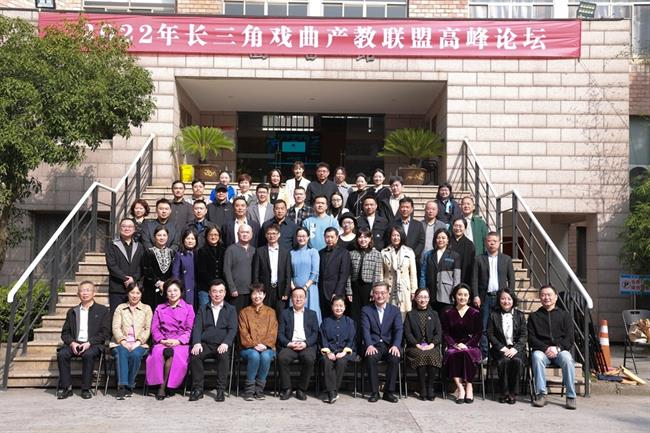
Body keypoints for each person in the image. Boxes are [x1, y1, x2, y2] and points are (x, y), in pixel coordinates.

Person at [56, 281, 111, 400]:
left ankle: (86, 388)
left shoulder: (103, 310)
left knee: (89, 354)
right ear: (78, 294)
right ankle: (66, 388)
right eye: (82, 291)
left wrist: (89, 343)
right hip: (75, 343)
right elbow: (65, 333)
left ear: (94, 293)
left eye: (87, 290)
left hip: (93, 344)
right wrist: (72, 343)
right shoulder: (72, 311)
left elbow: (105, 333)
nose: (85, 293)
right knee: (62, 354)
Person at [528, 285, 577, 410]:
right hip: (542, 351)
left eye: (549, 295)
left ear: (555, 297)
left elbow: (570, 338)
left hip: (560, 351)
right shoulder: (534, 316)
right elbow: (531, 338)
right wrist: (546, 348)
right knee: (536, 357)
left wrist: (558, 348)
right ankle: (541, 394)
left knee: (567, 358)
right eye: (543, 295)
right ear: (540, 298)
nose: (546, 297)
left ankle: (571, 396)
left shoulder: (565, 315)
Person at [145, 278, 195, 400]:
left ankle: (163, 387)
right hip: (163, 341)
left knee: (173, 354)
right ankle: (163, 386)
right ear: (166, 293)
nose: (172, 293)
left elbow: (190, 329)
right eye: (169, 291)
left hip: (180, 342)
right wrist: (162, 340)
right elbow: (155, 329)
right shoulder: (159, 308)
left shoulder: (189, 308)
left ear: (181, 292)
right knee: (159, 353)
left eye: (175, 290)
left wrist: (178, 341)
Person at [189, 280, 238, 402]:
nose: (217, 294)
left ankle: (220, 390)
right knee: (195, 356)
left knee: (223, 357)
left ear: (225, 293)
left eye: (221, 291)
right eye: (214, 291)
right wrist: (197, 342)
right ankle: (198, 389)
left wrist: (226, 343)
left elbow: (233, 329)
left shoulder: (231, 309)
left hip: (222, 344)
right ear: (210, 293)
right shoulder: (203, 308)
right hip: (206, 344)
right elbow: (197, 327)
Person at [472, 231, 515, 357]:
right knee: (484, 327)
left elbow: (511, 279)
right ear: (485, 243)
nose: (492, 243)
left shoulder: (506, 259)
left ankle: (501, 353)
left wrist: (510, 296)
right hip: (484, 297)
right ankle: (485, 354)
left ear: (499, 242)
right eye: (489, 241)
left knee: (501, 326)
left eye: (494, 241)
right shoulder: (479, 259)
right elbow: (474, 279)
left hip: (501, 298)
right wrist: (476, 295)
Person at [361, 282, 403, 403]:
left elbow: (399, 329)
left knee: (395, 358)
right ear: (373, 294)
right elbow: (365, 330)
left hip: (389, 345)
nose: (380, 296)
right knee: (370, 357)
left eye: (383, 293)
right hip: (374, 344)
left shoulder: (395, 310)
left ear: (388, 294)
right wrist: (369, 345)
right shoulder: (366, 310)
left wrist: (396, 345)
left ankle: (388, 392)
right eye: (377, 293)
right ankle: (374, 392)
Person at [441, 283, 482, 404]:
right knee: (452, 354)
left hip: (471, 345)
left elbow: (478, 333)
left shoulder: (475, 313)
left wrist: (467, 345)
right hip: (454, 345)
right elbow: (445, 333)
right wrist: (454, 345)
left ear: (469, 297)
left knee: (467, 353)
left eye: (465, 295)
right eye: (459, 294)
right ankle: (460, 388)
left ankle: (469, 386)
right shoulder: (448, 313)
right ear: (455, 296)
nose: (462, 297)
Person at [110, 283, 152, 400]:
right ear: (127, 293)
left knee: (135, 354)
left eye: (138, 293)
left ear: (141, 294)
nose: (135, 295)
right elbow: (115, 327)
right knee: (122, 352)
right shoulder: (120, 308)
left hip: (140, 343)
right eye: (132, 292)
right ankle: (122, 386)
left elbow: (147, 328)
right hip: (120, 342)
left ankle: (130, 385)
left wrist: (137, 342)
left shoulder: (146, 309)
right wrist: (123, 341)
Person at [277, 288, 320, 400]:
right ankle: (287, 388)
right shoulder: (285, 313)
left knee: (309, 359)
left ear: (305, 299)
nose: (298, 299)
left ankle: (301, 389)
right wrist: (289, 344)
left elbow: (315, 333)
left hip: (306, 345)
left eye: (301, 297)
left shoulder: (312, 314)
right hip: (290, 345)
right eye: (295, 296)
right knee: (282, 357)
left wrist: (306, 344)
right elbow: (280, 333)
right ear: (291, 299)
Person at [239, 284, 279, 401]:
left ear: (264, 295)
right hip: (248, 348)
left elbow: (273, 331)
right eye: (254, 293)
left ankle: (259, 389)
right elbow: (243, 332)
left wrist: (265, 345)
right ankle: (249, 390)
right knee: (254, 355)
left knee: (266, 356)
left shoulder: (271, 312)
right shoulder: (244, 312)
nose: (257, 296)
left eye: (260, 293)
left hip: (267, 347)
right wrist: (254, 345)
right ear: (251, 295)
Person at [487, 288, 527, 404]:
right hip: (500, 348)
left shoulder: (520, 315)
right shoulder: (493, 314)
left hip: (516, 348)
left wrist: (515, 349)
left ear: (513, 300)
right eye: (503, 299)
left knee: (517, 361)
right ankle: (504, 392)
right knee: (504, 360)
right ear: (499, 300)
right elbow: (490, 334)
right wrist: (502, 348)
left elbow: (524, 335)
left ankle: (513, 393)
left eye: (509, 299)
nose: (506, 301)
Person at [404, 288, 443, 401]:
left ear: (429, 299)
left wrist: (432, 344)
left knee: (432, 354)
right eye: (420, 297)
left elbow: (438, 333)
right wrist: (417, 344)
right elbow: (407, 333)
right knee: (421, 355)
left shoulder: (434, 314)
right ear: (416, 298)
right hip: (414, 347)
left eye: (425, 297)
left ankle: (430, 387)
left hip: (431, 346)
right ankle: (422, 388)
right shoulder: (410, 315)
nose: (423, 300)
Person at [319, 296, 356, 404]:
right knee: (326, 361)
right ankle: (332, 392)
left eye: (341, 306)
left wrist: (344, 352)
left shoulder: (350, 322)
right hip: (329, 351)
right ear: (332, 307)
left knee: (341, 361)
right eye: (336, 306)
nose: (338, 308)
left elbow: (351, 339)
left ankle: (332, 391)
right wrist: (328, 352)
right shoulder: (326, 322)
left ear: (345, 307)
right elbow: (323, 339)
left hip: (345, 352)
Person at [106, 218, 144, 314]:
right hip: (117, 288)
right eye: (124, 226)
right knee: (116, 316)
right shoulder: (112, 245)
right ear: (119, 228)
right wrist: (125, 279)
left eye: (130, 226)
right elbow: (112, 265)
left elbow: (141, 266)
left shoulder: (139, 246)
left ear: (134, 229)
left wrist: (134, 279)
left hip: (134, 289)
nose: (127, 229)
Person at [252, 224, 293, 315]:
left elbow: (288, 273)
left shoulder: (285, 252)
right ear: (266, 235)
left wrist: (286, 291)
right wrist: (258, 291)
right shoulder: (259, 251)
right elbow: (255, 273)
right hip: (265, 290)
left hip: (280, 290)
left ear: (279, 235)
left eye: (274, 233)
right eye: (269, 233)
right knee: (265, 315)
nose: (271, 236)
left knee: (280, 316)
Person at [420, 228, 461, 314]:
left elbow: (457, 278)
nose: (440, 240)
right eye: (438, 238)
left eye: (443, 238)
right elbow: (423, 274)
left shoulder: (455, 256)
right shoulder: (428, 255)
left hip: (447, 294)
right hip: (430, 294)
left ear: (448, 240)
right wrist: (422, 290)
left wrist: (455, 294)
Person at [349, 228, 383, 330]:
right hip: (355, 287)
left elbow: (377, 275)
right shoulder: (352, 253)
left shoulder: (376, 254)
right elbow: (348, 274)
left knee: (367, 313)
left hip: (368, 288)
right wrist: (348, 291)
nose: (362, 239)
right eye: (360, 237)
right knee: (354, 314)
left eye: (365, 237)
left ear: (370, 239)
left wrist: (374, 291)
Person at [381, 226, 418, 319]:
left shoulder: (409, 252)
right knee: (388, 314)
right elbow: (381, 273)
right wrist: (380, 289)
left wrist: (414, 290)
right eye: (393, 235)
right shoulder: (384, 252)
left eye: (398, 235)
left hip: (404, 287)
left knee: (404, 314)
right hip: (389, 287)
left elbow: (413, 274)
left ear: (402, 236)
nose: (395, 237)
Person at [291, 227, 322, 325]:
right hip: (295, 288)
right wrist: (293, 287)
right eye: (299, 236)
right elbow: (289, 272)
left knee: (311, 312)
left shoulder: (313, 252)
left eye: (304, 236)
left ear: (308, 237)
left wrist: (305, 287)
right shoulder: (292, 253)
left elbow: (315, 272)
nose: (301, 238)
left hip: (310, 288)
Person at [318, 227, 352, 317]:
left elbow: (344, 275)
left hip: (336, 292)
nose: (329, 239)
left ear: (337, 238)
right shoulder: (320, 253)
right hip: (322, 292)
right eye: (327, 237)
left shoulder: (344, 253)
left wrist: (337, 293)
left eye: (332, 237)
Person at [223, 224, 256, 313]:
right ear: (238, 234)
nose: (245, 234)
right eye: (242, 232)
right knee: (236, 316)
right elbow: (226, 270)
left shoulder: (254, 250)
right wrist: (232, 288)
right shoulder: (230, 250)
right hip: (236, 292)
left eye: (247, 232)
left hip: (251, 291)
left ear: (251, 234)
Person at [141, 226, 175, 308]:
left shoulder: (172, 252)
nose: (162, 238)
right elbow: (147, 271)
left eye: (164, 235)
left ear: (168, 237)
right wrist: (159, 283)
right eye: (159, 235)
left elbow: (174, 271)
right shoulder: (148, 252)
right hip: (151, 288)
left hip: (168, 288)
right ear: (154, 237)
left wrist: (167, 284)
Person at [195, 226, 225, 307]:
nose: (213, 237)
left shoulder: (223, 250)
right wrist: (214, 283)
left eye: (216, 234)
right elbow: (201, 271)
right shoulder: (202, 251)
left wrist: (219, 285)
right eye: (211, 234)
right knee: (205, 310)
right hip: (205, 288)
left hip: (219, 288)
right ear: (206, 236)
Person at [390, 197, 425, 264]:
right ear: (399, 209)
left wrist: (412, 255)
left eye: (407, 207)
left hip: (414, 260)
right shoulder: (392, 224)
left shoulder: (418, 225)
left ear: (412, 209)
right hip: (396, 260)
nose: (405, 209)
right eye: (402, 207)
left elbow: (421, 242)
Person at [171, 228, 198, 308]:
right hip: (185, 288)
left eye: (192, 238)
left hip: (197, 288)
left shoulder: (199, 253)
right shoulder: (179, 255)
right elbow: (175, 274)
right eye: (188, 238)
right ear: (183, 240)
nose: (190, 241)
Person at [450, 217, 476, 287]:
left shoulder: (470, 245)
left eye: (460, 226)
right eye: (456, 226)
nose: (458, 228)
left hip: (464, 277)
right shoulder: (447, 242)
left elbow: (471, 265)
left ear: (465, 228)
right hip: (448, 278)